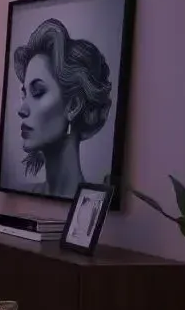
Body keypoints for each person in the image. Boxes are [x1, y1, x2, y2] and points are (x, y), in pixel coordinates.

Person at [12, 18, 112, 198]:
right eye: (24, 94)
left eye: (38, 92)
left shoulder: (93, 202)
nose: (22, 110)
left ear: (73, 106)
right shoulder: (24, 193)